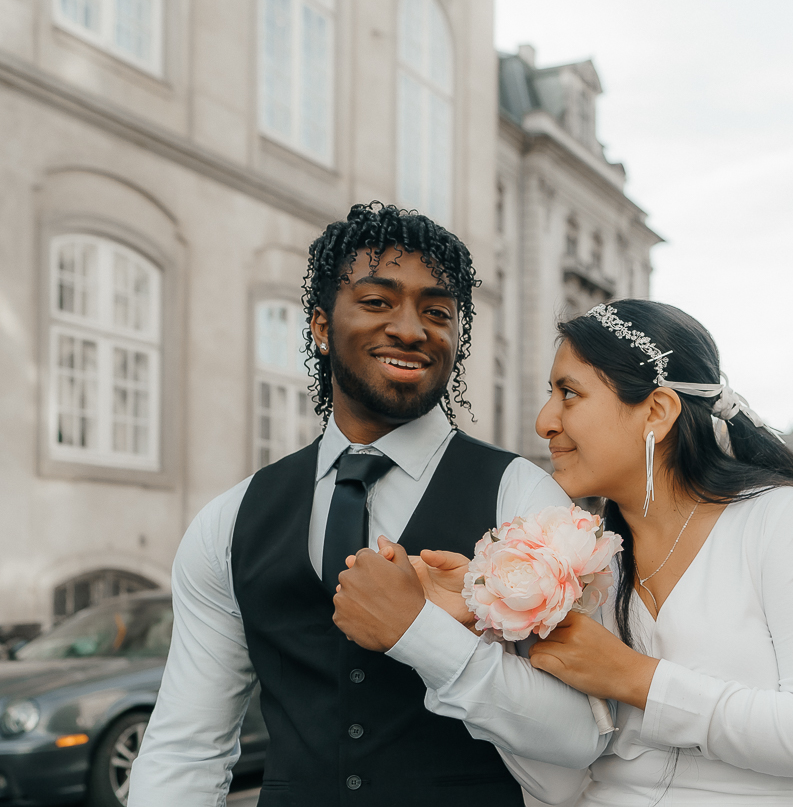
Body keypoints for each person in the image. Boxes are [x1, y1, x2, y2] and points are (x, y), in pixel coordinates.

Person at [130, 204, 606, 807]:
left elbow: (581, 736)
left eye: (437, 312)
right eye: (378, 302)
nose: (411, 329)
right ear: (323, 327)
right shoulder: (229, 521)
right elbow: (186, 748)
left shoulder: (525, 500)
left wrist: (421, 633)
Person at [402, 300, 793, 805]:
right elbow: (558, 784)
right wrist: (483, 628)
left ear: (657, 412)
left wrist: (633, 677)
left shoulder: (784, 520)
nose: (544, 421)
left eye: (568, 393)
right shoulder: (582, 567)